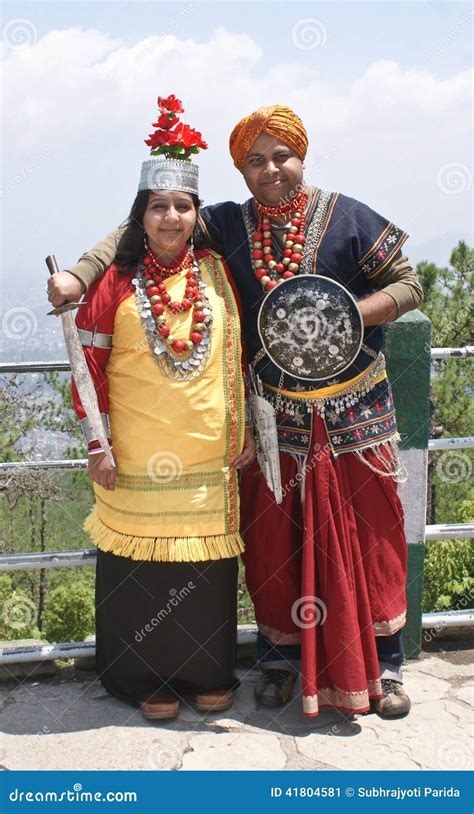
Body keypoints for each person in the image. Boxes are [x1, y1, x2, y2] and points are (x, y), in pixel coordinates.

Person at [48, 104, 423, 720]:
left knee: (369, 540)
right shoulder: (223, 223)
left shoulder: (350, 217)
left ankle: (385, 665)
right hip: (274, 419)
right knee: (276, 544)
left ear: (303, 156)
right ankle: (279, 663)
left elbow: (409, 284)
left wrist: (349, 315)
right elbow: (136, 229)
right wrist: (81, 274)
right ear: (239, 170)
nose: (271, 169)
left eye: (283, 156)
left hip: (357, 412)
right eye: (255, 160)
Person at [64, 95, 255, 722]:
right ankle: (140, 679)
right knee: (141, 576)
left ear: (197, 214)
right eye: (158, 206)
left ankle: (206, 671)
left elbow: (243, 359)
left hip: (207, 458)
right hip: (136, 459)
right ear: (140, 216)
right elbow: (87, 372)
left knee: (203, 581)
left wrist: (248, 430)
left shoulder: (219, 272)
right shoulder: (114, 282)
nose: (171, 217)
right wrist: (98, 444)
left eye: (182, 206)